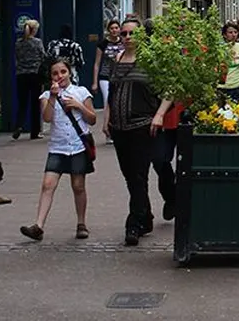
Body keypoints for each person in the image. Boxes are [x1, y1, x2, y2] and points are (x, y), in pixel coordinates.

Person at [106, 17, 172, 246]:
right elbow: (112, 93)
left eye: (131, 34)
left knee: (138, 175)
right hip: (119, 128)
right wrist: (107, 119)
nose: (127, 38)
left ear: (141, 36)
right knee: (130, 176)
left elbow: (169, 89)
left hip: (142, 126)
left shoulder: (151, 61)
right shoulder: (117, 58)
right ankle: (145, 216)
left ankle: (133, 224)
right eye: (123, 34)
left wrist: (160, 115)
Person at [20, 59, 96, 241]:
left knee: (78, 186)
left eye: (63, 72)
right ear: (50, 76)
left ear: (70, 73)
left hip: (77, 146)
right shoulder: (46, 95)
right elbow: (46, 118)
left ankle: (81, 223)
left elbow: (92, 119)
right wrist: (53, 97)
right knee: (47, 185)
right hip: (58, 147)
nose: (59, 76)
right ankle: (38, 226)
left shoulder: (81, 92)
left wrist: (79, 106)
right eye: (55, 73)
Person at [13, 20, 46, 140]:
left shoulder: (18, 43)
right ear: (34, 30)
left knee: (22, 103)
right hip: (35, 75)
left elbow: (16, 57)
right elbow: (43, 56)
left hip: (21, 75)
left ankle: (18, 125)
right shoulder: (37, 42)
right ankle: (35, 132)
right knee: (35, 104)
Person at [93, 20, 122, 142]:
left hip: (120, 76)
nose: (114, 30)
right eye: (112, 28)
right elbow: (97, 63)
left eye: (116, 28)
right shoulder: (103, 44)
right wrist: (94, 82)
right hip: (105, 77)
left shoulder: (124, 42)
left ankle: (116, 129)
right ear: (108, 30)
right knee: (107, 102)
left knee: (117, 103)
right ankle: (108, 132)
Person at [219, 23, 239, 103]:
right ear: (224, 35)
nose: (233, 35)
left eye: (235, 32)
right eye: (230, 32)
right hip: (221, 88)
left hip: (237, 87)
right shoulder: (219, 49)